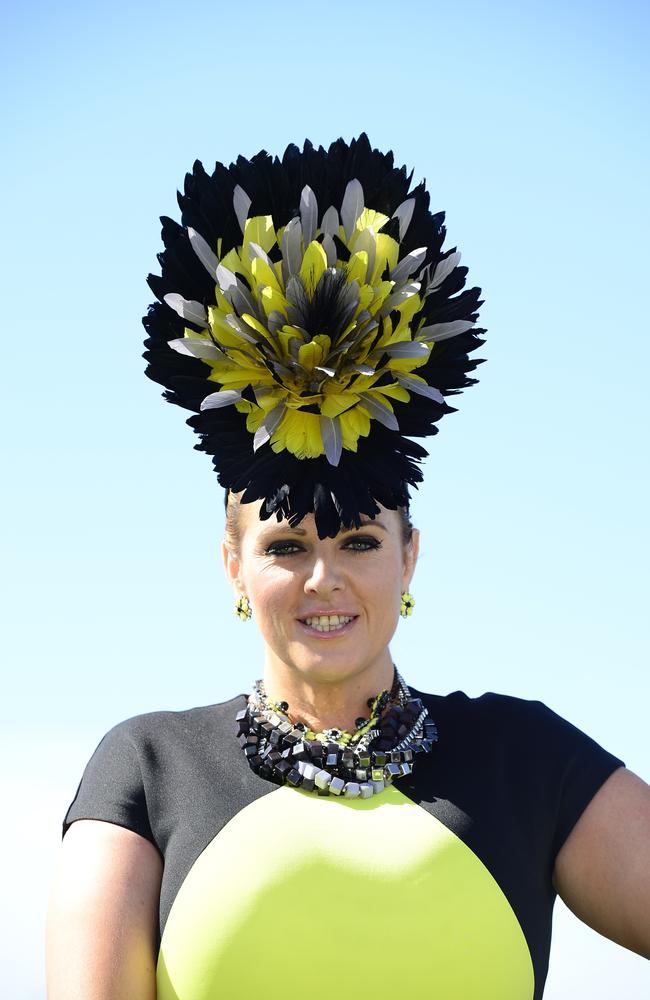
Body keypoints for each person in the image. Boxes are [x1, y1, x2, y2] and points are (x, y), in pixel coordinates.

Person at [46, 135, 650, 1000]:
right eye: (286, 547)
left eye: (360, 542)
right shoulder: (148, 766)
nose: (323, 578)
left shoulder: (528, 758)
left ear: (410, 557)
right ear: (233, 567)